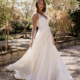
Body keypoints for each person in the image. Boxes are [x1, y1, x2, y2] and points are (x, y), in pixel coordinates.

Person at [8, 0, 74, 80]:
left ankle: (49, 72)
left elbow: (47, 27)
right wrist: (31, 40)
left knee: (49, 54)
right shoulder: (35, 15)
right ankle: (37, 73)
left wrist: (52, 37)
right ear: (37, 4)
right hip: (41, 36)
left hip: (48, 36)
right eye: (40, 3)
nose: (41, 5)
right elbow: (33, 29)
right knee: (38, 54)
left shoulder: (44, 14)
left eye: (43, 3)